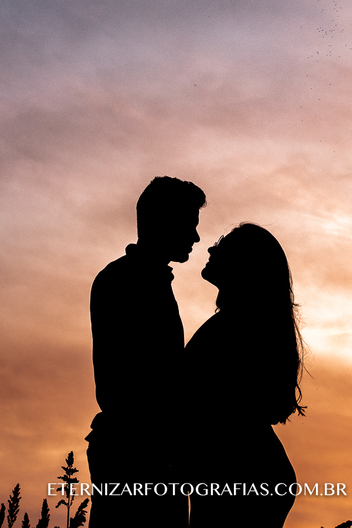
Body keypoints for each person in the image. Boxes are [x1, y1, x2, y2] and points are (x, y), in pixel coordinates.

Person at [86, 176, 206, 528]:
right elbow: (120, 386)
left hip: (146, 454)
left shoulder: (145, 281)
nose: (196, 237)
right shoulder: (125, 282)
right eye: (189, 225)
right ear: (163, 222)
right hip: (138, 458)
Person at [184, 223, 305, 528]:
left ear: (245, 264)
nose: (211, 249)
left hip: (239, 475)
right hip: (245, 471)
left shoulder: (236, 329)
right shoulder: (241, 325)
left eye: (224, 245)